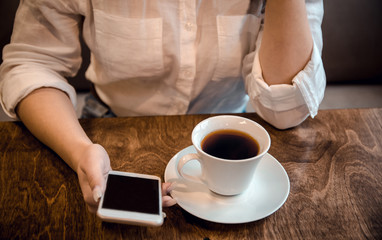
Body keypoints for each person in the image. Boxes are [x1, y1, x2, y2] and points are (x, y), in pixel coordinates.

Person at [0, 0, 325, 213]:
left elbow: (287, 108)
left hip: (232, 126)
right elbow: (32, 64)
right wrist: (78, 149)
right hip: (107, 129)